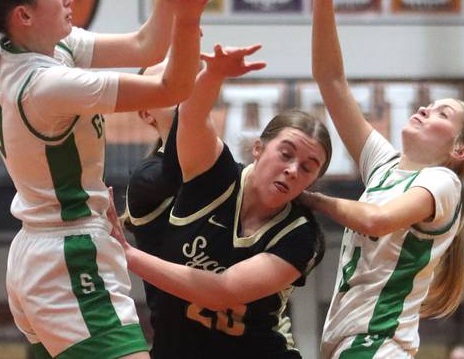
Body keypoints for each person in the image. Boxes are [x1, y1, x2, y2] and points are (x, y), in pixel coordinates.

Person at [0, 0, 222, 359]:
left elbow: (145, 46)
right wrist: (189, 15)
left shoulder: (35, 49)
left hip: (47, 250)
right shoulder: (46, 84)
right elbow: (172, 89)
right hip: (69, 256)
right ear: (24, 14)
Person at [302, 0, 464, 359]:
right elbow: (330, 80)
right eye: (430, 104)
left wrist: (309, 198)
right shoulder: (384, 165)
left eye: (442, 114)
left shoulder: (444, 182)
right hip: (352, 343)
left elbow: (375, 220)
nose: (425, 109)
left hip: (377, 342)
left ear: (459, 150)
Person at [108, 44, 332, 359]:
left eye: (307, 168)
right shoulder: (209, 173)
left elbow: (223, 291)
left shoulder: (301, 235)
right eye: (285, 154)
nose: (293, 170)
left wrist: (127, 254)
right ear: (258, 148)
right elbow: (191, 118)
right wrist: (212, 75)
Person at [122, 60, 182, 337]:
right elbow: (183, 171)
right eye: (167, 84)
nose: (182, 89)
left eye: (186, 80)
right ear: (147, 114)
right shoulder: (147, 177)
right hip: (182, 342)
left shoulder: (227, 168)